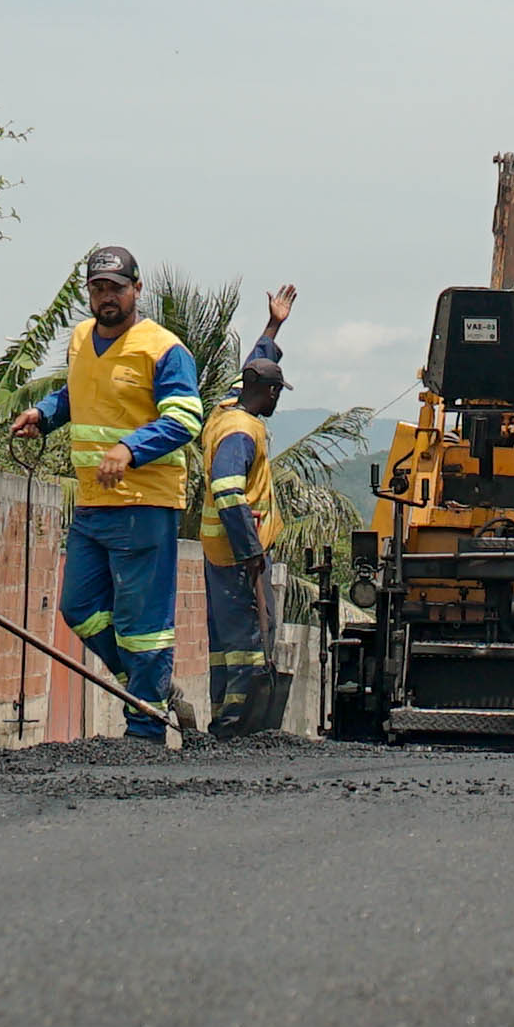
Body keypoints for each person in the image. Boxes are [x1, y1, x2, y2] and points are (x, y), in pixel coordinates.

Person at [6, 245, 204, 743]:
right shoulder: (79, 339)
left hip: (145, 505)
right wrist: (45, 416)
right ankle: (149, 691)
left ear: (137, 290)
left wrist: (131, 449)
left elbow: (185, 419)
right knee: (79, 608)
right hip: (93, 503)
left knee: (143, 623)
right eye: (98, 288)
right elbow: (76, 393)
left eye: (116, 287)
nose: (106, 297)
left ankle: (144, 730)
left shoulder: (163, 349)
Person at [194, 285, 297, 738]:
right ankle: (238, 725)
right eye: (277, 392)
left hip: (221, 551)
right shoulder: (240, 431)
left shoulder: (227, 406)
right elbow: (228, 491)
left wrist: (274, 325)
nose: (277, 400)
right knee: (247, 643)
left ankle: (224, 714)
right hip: (238, 554)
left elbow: (250, 365)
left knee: (225, 643)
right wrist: (251, 551)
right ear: (268, 393)